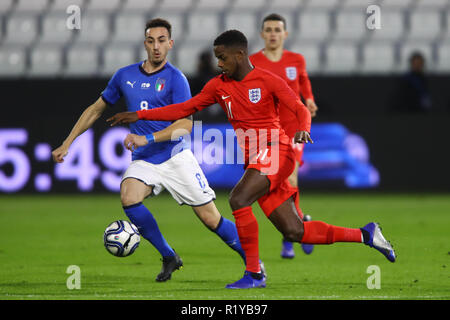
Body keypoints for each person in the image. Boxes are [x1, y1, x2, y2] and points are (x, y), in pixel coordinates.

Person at [107, 30, 396, 289]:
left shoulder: (268, 80)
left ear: (240, 54)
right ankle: (366, 234)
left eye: (223, 58)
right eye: (217, 58)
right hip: (257, 158)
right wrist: (140, 115)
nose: (219, 63)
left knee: (238, 199)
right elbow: (185, 107)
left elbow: (300, 108)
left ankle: (254, 274)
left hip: (277, 150)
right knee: (295, 231)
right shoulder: (218, 86)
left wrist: (304, 130)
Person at [52, 19, 252, 283]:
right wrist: (68, 142)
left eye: (162, 41)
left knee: (211, 219)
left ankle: (253, 261)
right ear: (145, 43)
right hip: (145, 160)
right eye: (151, 40)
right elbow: (95, 109)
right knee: (129, 196)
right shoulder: (124, 76)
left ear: (170, 44)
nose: (156, 47)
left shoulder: (175, 79)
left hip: (175, 157)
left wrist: (146, 138)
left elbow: (185, 126)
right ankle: (169, 256)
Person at [249, 13, 318, 259]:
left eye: (277, 30)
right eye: (268, 30)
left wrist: (308, 99)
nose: (273, 34)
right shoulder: (253, 61)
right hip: (268, 133)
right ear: (262, 34)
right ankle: (300, 222)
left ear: (285, 34)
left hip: (294, 129)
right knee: (278, 185)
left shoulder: (296, 59)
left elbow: (303, 80)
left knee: (291, 179)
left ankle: (289, 238)